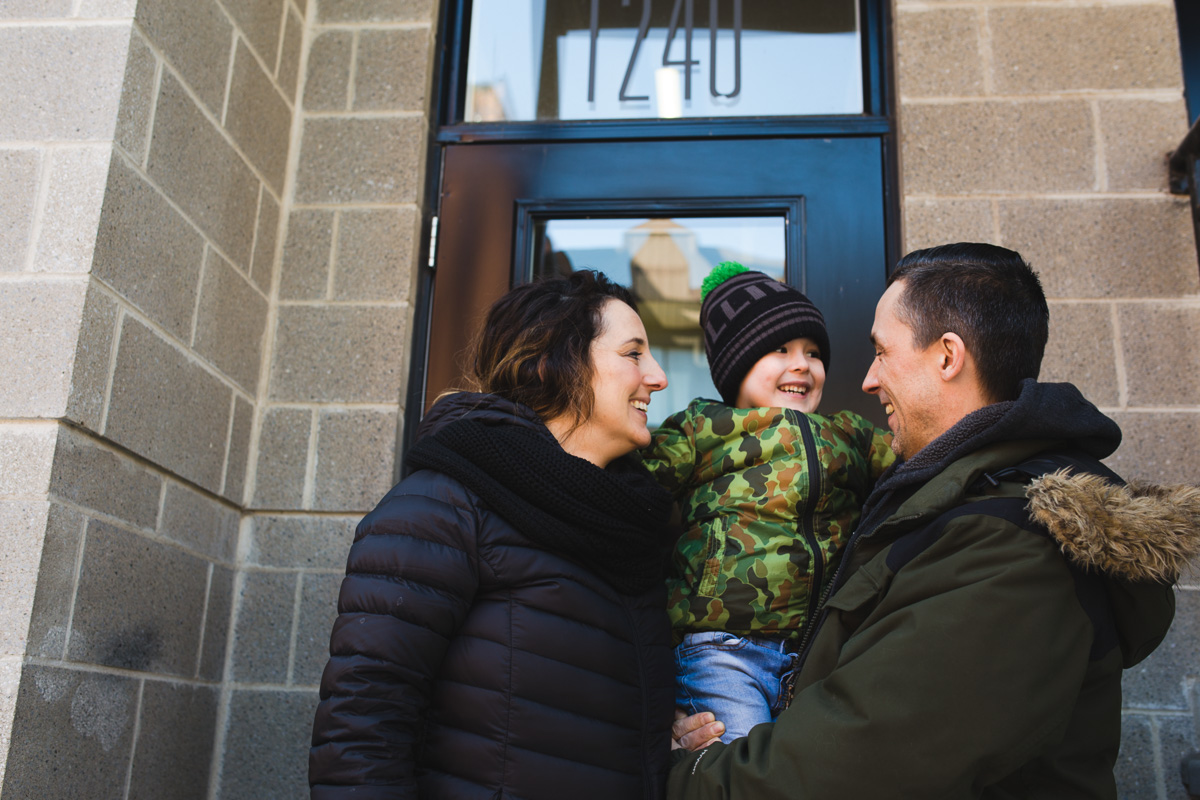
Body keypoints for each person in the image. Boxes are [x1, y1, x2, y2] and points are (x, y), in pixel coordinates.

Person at [668, 243, 1200, 798]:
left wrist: (683, 774)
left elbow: (856, 762)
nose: (869, 379)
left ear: (947, 356)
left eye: (881, 351)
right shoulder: (938, 498)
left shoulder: (1011, 545)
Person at [309, 270, 686, 799]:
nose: (659, 376)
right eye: (633, 354)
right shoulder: (446, 505)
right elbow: (361, 732)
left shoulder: (633, 526)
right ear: (554, 362)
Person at [640, 262, 893, 742]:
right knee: (741, 762)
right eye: (780, 350)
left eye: (813, 352)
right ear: (737, 366)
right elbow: (629, 484)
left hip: (820, 651)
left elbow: (919, 459)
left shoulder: (849, 435)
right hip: (722, 649)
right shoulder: (701, 429)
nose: (802, 364)